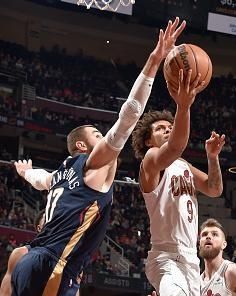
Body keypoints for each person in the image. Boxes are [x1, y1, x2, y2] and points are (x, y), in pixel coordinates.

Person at [11, 17, 186, 296]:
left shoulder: (61, 173)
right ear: (82, 146)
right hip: (53, 265)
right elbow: (129, 115)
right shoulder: (93, 164)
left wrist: (24, 172)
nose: (102, 135)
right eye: (95, 134)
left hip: (33, 260)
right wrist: (153, 62)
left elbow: (40, 179)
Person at [131, 73, 225, 296]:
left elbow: (214, 189)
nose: (167, 129)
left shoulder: (182, 165)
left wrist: (212, 158)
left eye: (170, 126)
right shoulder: (151, 160)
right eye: (160, 128)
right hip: (166, 256)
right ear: (147, 140)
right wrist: (183, 107)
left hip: (191, 258)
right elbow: (175, 147)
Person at [0, 211, 45, 296]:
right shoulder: (20, 253)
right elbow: (5, 292)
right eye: (47, 219)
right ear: (39, 228)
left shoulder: (68, 258)